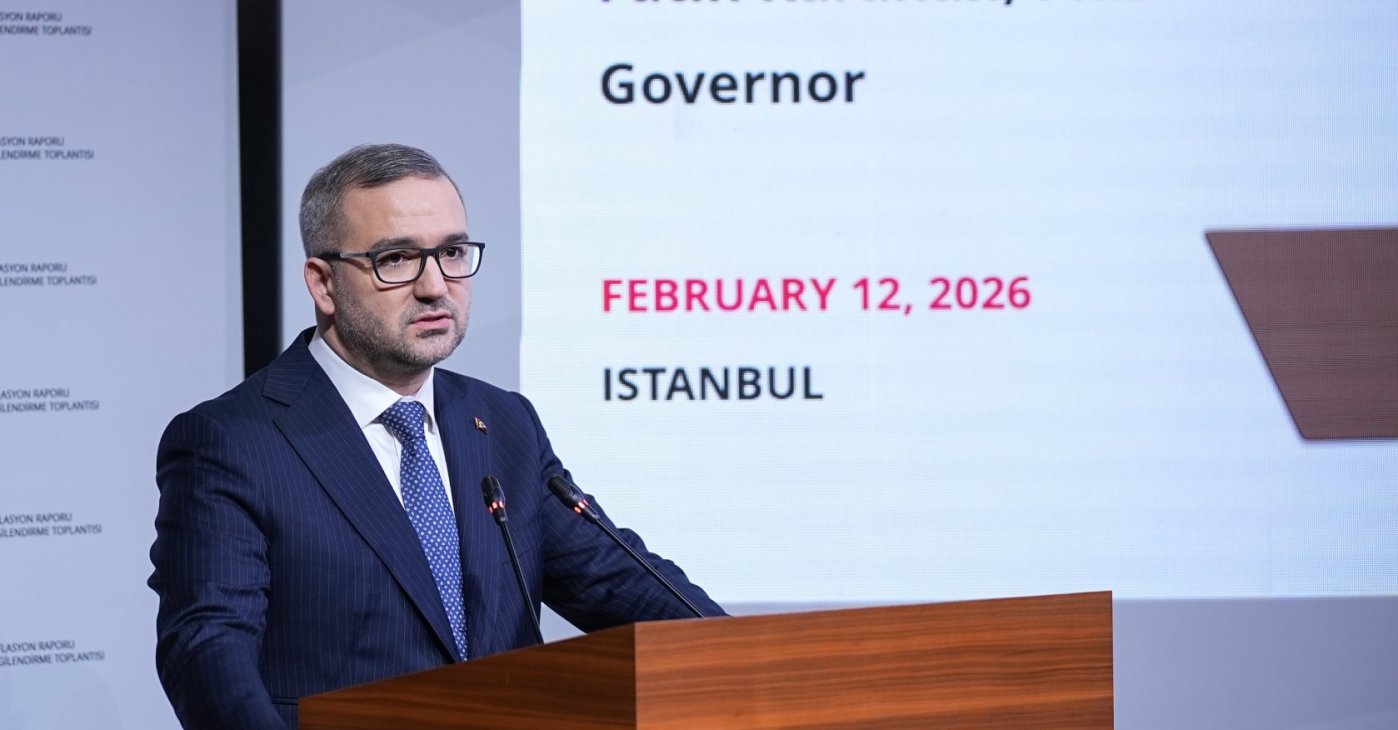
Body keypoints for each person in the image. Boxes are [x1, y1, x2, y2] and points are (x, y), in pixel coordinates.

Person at [148, 143, 723, 730]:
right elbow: (208, 655)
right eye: (396, 259)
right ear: (323, 284)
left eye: (451, 252)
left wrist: (751, 659)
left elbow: (617, 580)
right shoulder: (232, 441)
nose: (435, 286)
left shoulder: (503, 422)